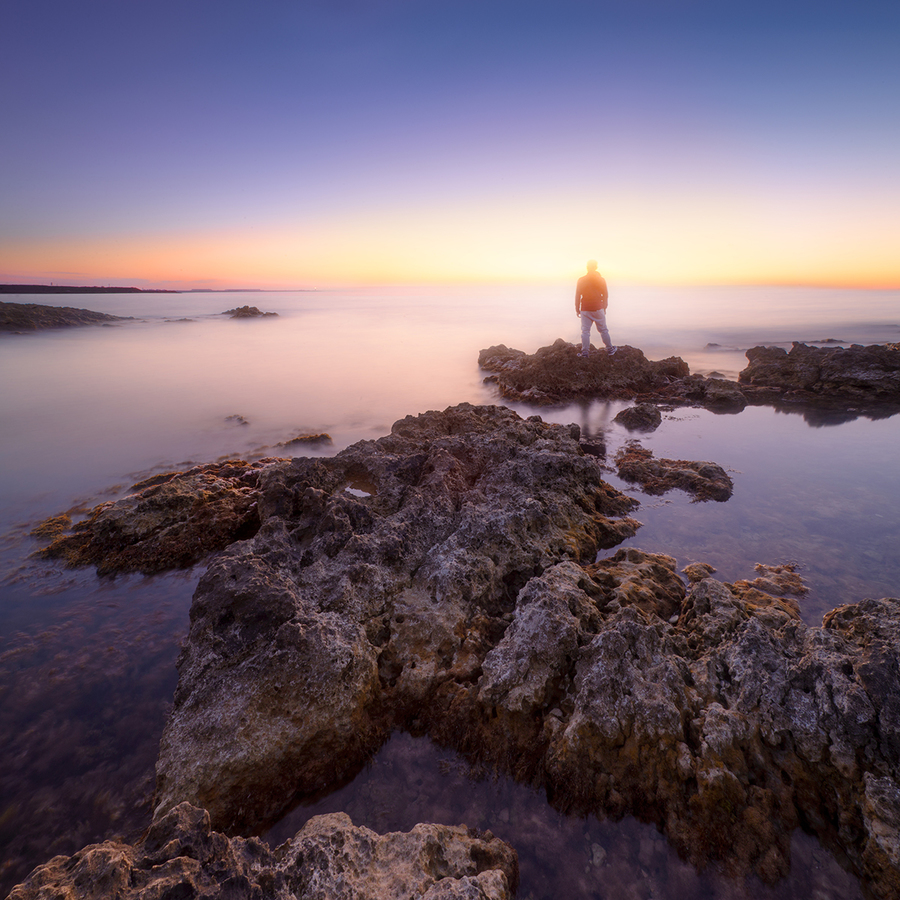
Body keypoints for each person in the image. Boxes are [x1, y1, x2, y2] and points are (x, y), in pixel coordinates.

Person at [575, 260, 617, 358]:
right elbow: (606, 294)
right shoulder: (601, 279)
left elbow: (577, 295)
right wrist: (604, 307)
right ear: (596, 267)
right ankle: (610, 349)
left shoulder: (581, 280)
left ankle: (585, 353)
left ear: (587, 267)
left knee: (585, 331)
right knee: (603, 330)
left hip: (585, 309)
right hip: (598, 308)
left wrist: (577, 309)